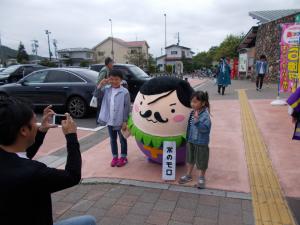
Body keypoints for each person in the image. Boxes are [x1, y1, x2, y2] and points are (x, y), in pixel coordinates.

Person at [0, 97, 96, 225]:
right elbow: (72, 176)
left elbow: (21, 156)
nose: (37, 125)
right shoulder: (34, 172)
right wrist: (71, 136)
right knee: (89, 221)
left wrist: (42, 130)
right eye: (35, 122)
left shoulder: (11, 159)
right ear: (23, 130)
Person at [97, 69, 131, 167]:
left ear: (121, 80)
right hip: (110, 121)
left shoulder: (125, 92)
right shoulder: (107, 89)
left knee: (122, 139)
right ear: (109, 79)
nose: (114, 81)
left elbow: (127, 107)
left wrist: (125, 121)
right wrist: (101, 84)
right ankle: (115, 157)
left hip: (120, 121)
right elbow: (97, 95)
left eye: (116, 79)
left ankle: (123, 157)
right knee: (112, 140)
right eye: (111, 79)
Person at [178, 91, 212, 189]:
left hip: (201, 142)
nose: (192, 104)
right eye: (191, 101)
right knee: (190, 158)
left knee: (202, 160)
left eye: (195, 102)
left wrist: (197, 122)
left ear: (203, 103)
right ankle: (188, 175)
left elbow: (205, 129)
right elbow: (189, 126)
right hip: (191, 140)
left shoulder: (205, 115)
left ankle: (202, 177)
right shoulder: (193, 112)